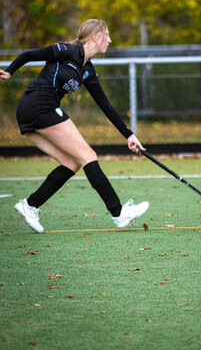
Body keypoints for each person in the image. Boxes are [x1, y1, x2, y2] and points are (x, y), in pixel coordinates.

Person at [0, 19, 149, 233]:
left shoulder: (87, 69)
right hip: (38, 106)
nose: (110, 39)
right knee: (88, 155)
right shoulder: (66, 51)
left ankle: (30, 205)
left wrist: (129, 135)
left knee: (71, 162)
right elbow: (28, 55)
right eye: (107, 35)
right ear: (96, 36)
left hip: (34, 111)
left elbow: (105, 105)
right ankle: (118, 213)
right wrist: (9, 71)